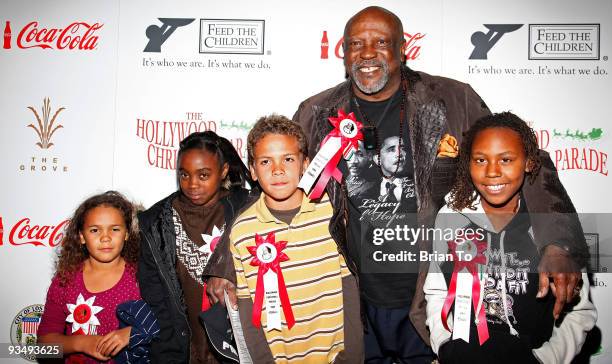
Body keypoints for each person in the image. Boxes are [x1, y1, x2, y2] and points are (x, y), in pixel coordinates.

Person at [207, 6, 588, 362]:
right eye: (356, 44)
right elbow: (269, 190)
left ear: (402, 50)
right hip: (355, 299)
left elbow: (525, 162)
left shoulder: (453, 100)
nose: (367, 53)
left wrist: (559, 244)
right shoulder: (317, 112)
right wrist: (226, 261)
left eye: (380, 42)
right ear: (344, 53)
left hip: (432, 297)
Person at [424, 112, 596, 363]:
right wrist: (445, 345)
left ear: (528, 162)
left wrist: (544, 359)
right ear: (467, 164)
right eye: (480, 160)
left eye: (506, 159)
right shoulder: (451, 216)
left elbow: (578, 312)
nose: (492, 172)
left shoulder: (554, 227)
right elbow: (437, 289)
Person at [226, 115, 362, 362]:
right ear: (253, 171)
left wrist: (352, 355)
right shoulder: (242, 231)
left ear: (305, 164)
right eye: (266, 161)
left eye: (288, 159)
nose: (278, 170)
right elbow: (247, 306)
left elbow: (348, 285)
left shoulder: (330, 213)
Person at [137, 131, 255, 364]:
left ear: (223, 172)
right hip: (181, 350)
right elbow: (156, 303)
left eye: (203, 175)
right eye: (184, 174)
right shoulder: (154, 223)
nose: (192, 184)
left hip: (239, 348)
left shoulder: (247, 207)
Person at [38, 191, 142, 363]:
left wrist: (132, 333)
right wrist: (80, 343)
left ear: (126, 233)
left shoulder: (141, 277)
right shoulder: (66, 279)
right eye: (94, 230)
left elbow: (164, 329)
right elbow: (43, 346)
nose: (105, 237)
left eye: (115, 229)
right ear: (81, 236)